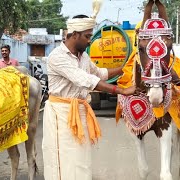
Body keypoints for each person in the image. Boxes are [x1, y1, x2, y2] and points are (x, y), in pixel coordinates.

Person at [41, 14, 136, 180]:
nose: (90, 41)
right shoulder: (57, 56)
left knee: (81, 161)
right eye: (87, 36)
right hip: (60, 115)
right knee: (63, 162)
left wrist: (124, 67)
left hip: (80, 111)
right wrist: (121, 90)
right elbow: (86, 79)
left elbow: (100, 73)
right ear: (75, 34)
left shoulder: (84, 57)